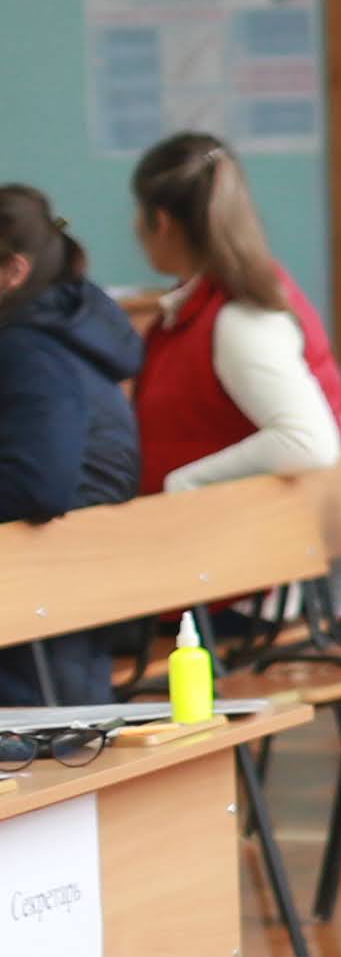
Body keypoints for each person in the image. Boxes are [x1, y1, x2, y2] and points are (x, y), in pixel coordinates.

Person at [117, 134, 341, 496]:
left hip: (226, 525)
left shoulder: (240, 318)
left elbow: (308, 442)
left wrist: (185, 482)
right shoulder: (195, 306)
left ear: (160, 221)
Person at [0, 188, 143, 710]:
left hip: (43, 616)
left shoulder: (28, 347)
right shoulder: (64, 331)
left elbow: (37, 486)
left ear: (13, 271)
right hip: (70, 600)